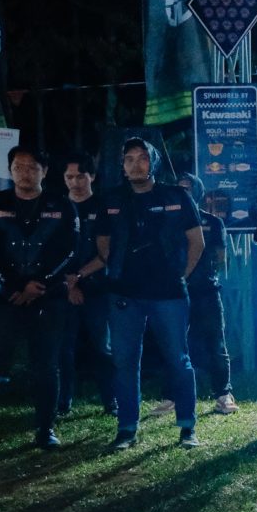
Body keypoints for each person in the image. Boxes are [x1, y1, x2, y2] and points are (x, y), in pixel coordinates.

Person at [0, 146, 78, 451]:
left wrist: (39, 284)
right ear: (10, 171)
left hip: (48, 299)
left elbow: (69, 250)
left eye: (32, 167)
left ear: (44, 171)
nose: (25, 173)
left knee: (46, 366)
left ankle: (45, 430)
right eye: (18, 167)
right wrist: (13, 287)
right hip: (3, 299)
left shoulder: (62, 206)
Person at [96, 137, 204, 450]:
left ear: (153, 162)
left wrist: (180, 276)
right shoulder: (111, 199)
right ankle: (126, 428)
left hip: (168, 293)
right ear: (122, 166)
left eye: (142, 157)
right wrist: (117, 268)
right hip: (124, 294)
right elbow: (102, 242)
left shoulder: (176, 195)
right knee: (125, 361)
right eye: (129, 159)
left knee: (177, 359)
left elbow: (196, 242)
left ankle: (187, 427)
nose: (136, 164)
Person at [57, 152, 114, 418]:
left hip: (97, 290)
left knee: (103, 347)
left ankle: (111, 401)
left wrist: (78, 278)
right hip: (62, 291)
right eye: (69, 177)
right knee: (63, 349)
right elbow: (49, 252)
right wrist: (69, 285)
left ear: (91, 176)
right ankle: (63, 402)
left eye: (80, 176)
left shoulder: (104, 207)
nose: (75, 182)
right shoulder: (57, 208)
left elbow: (107, 254)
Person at [177, 173, 237, 415]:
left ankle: (223, 394)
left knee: (216, 342)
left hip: (207, 290)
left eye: (188, 188)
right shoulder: (169, 221)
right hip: (176, 291)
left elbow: (221, 259)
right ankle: (173, 395)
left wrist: (207, 271)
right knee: (175, 343)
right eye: (180, 189)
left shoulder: (213, 222)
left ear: (198, 192)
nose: (184, 193)